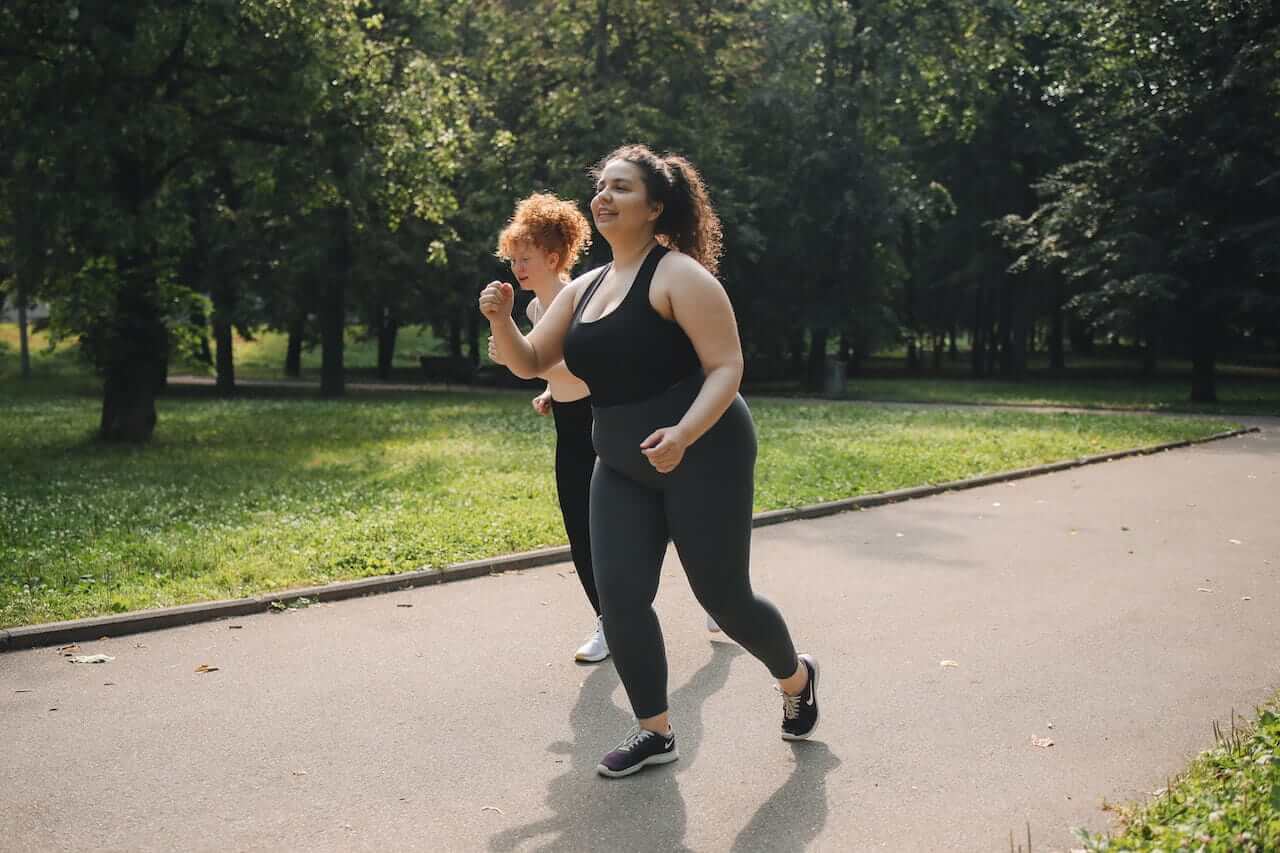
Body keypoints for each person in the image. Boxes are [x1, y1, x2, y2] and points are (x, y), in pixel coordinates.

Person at [480, 145, 820, 779]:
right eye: (601, 185)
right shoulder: (582, 289)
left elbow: (727, 368)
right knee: (621, 596)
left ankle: (795, 676)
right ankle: (655, 730)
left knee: (724, 594)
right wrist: (502, 321)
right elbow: (527, 361)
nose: (604, 197)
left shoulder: (679, 277)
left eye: (623, 188)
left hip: (704, 450)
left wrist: (685, 433)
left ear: (655, 206)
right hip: (620, 460)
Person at [492, 193, 607, 662]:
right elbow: (557, 368)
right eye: (513, 258)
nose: (517, 266)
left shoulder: (579, 299)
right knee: (579, 528)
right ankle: (609, 622)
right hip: (569, 425)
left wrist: (527, 365)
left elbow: (589, 368)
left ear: (553, 257)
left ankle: (713, 595)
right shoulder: (538, 312)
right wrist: (546, 389)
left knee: (641, 524)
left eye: (526, 257)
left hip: (602, 424)